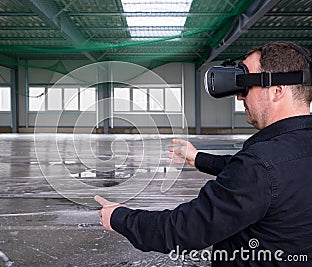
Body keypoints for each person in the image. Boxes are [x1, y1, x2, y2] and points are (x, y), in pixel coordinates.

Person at [94, 41, 312, 266]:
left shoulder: (260, 165)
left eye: (246, 85)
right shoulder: (278, 159)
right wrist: (198, 158)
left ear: (277, 91)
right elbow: (258, 173)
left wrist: (120, 217)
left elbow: (184, 230)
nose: (240, 97)